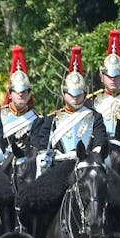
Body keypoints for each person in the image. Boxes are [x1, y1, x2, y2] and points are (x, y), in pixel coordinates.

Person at [30, 46, 108, 174]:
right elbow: (43, 146)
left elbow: (100, 141)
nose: (75, 98)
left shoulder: (95, 117)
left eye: (79, 94)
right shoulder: (52, 119)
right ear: (64, 94)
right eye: (71, 95)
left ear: (85, 94)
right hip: (59, 167)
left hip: (86, 166)